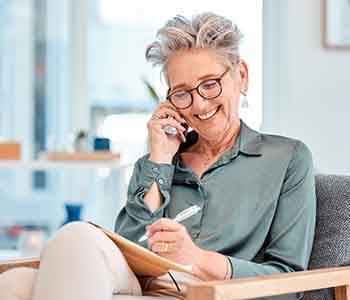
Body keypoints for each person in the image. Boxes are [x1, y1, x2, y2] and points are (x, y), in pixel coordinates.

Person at [0, 12, 316, 300]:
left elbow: (289, 280)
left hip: (207, 295)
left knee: (17, 285)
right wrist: (161, 160)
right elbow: (128, 252)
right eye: (182, 93)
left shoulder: (287, 159)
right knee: (61, 249)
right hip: (143, 289)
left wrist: (196, 258)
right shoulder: (155, 163)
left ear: (241, 76)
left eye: (210, 84)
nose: (199, 105)